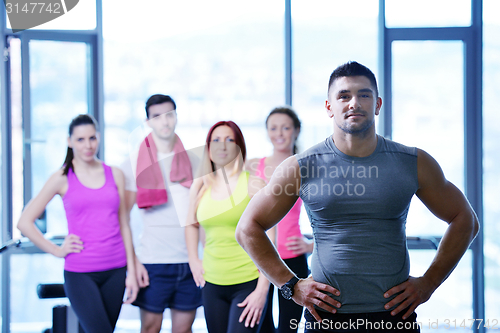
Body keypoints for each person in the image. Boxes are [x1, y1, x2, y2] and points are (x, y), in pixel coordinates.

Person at [235, 61, 479, 332]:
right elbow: (247, 229)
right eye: (344, 95)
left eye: (364, 95)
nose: (354, 103)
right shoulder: (300, 166)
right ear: (329, 107)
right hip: (325, 318)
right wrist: (291, 286)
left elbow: (465, 219)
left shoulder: (412, 162)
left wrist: (428, 283)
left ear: (377, 104)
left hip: (394, 316)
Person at [17, 114, 139, 333]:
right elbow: (24, 222)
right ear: (69, 141)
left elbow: (124, 223)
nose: (88, 145)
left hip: (116, 270)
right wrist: (56, 250)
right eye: (80, 139)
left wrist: (132, 268)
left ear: (99, 138)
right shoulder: (61, 178)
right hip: (81, 273)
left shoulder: (116, 174)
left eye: (92, 138)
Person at [120, 94, 202, 333]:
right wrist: (133, 263)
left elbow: (203, 216)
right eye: (157, 116)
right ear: (148, 122)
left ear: (176, 117)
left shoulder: (196, 161)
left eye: (169, 115)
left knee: (184, 330)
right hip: (152, 262)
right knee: (150, 328)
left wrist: (203, 258)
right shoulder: (134, 163)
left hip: (189, 262)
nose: (164, 122)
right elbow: (123, 219)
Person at [185, 121, 271, 333]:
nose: (222, 145)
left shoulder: (254, 184)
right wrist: (193, 259)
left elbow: (272, 241)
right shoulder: (201, 185)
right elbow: (190, 224)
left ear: (239, 146)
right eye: (215, 140)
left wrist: (262, 291)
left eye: (229, 139)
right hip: (211, 283)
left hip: (247, 282)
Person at [246, 106, 312, 333]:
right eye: (273, 128)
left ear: (296, 131)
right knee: (259, 326)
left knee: (288, 328)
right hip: (260, 257)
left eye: (285, 127)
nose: (279, 133)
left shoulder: (305, 166)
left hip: (292, 258)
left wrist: (311, 244)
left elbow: (330, 213)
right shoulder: (254, 165)